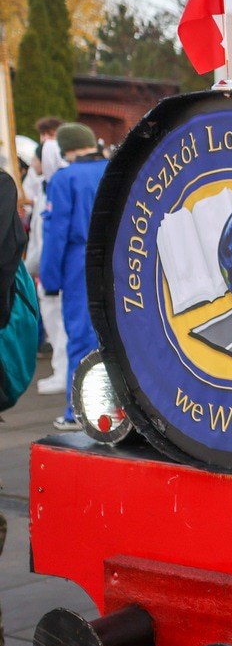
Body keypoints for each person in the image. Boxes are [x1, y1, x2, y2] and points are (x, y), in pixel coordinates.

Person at [40, 123, 105, 430]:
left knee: (81, 338)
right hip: (117, 258)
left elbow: (56, 234)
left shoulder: (65, 179)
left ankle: (78, 413)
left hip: (80, 262)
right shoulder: (113, 168)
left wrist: (50, 281)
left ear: (66, 149)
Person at [31, 117, 67, 396]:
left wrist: (41, 270)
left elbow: (51, 236)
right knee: (55, 322)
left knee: (60, 323)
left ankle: (64, 372)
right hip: (48, 267)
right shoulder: (44, 189)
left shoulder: (58, 186)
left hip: (56, 269)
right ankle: (61, 370)